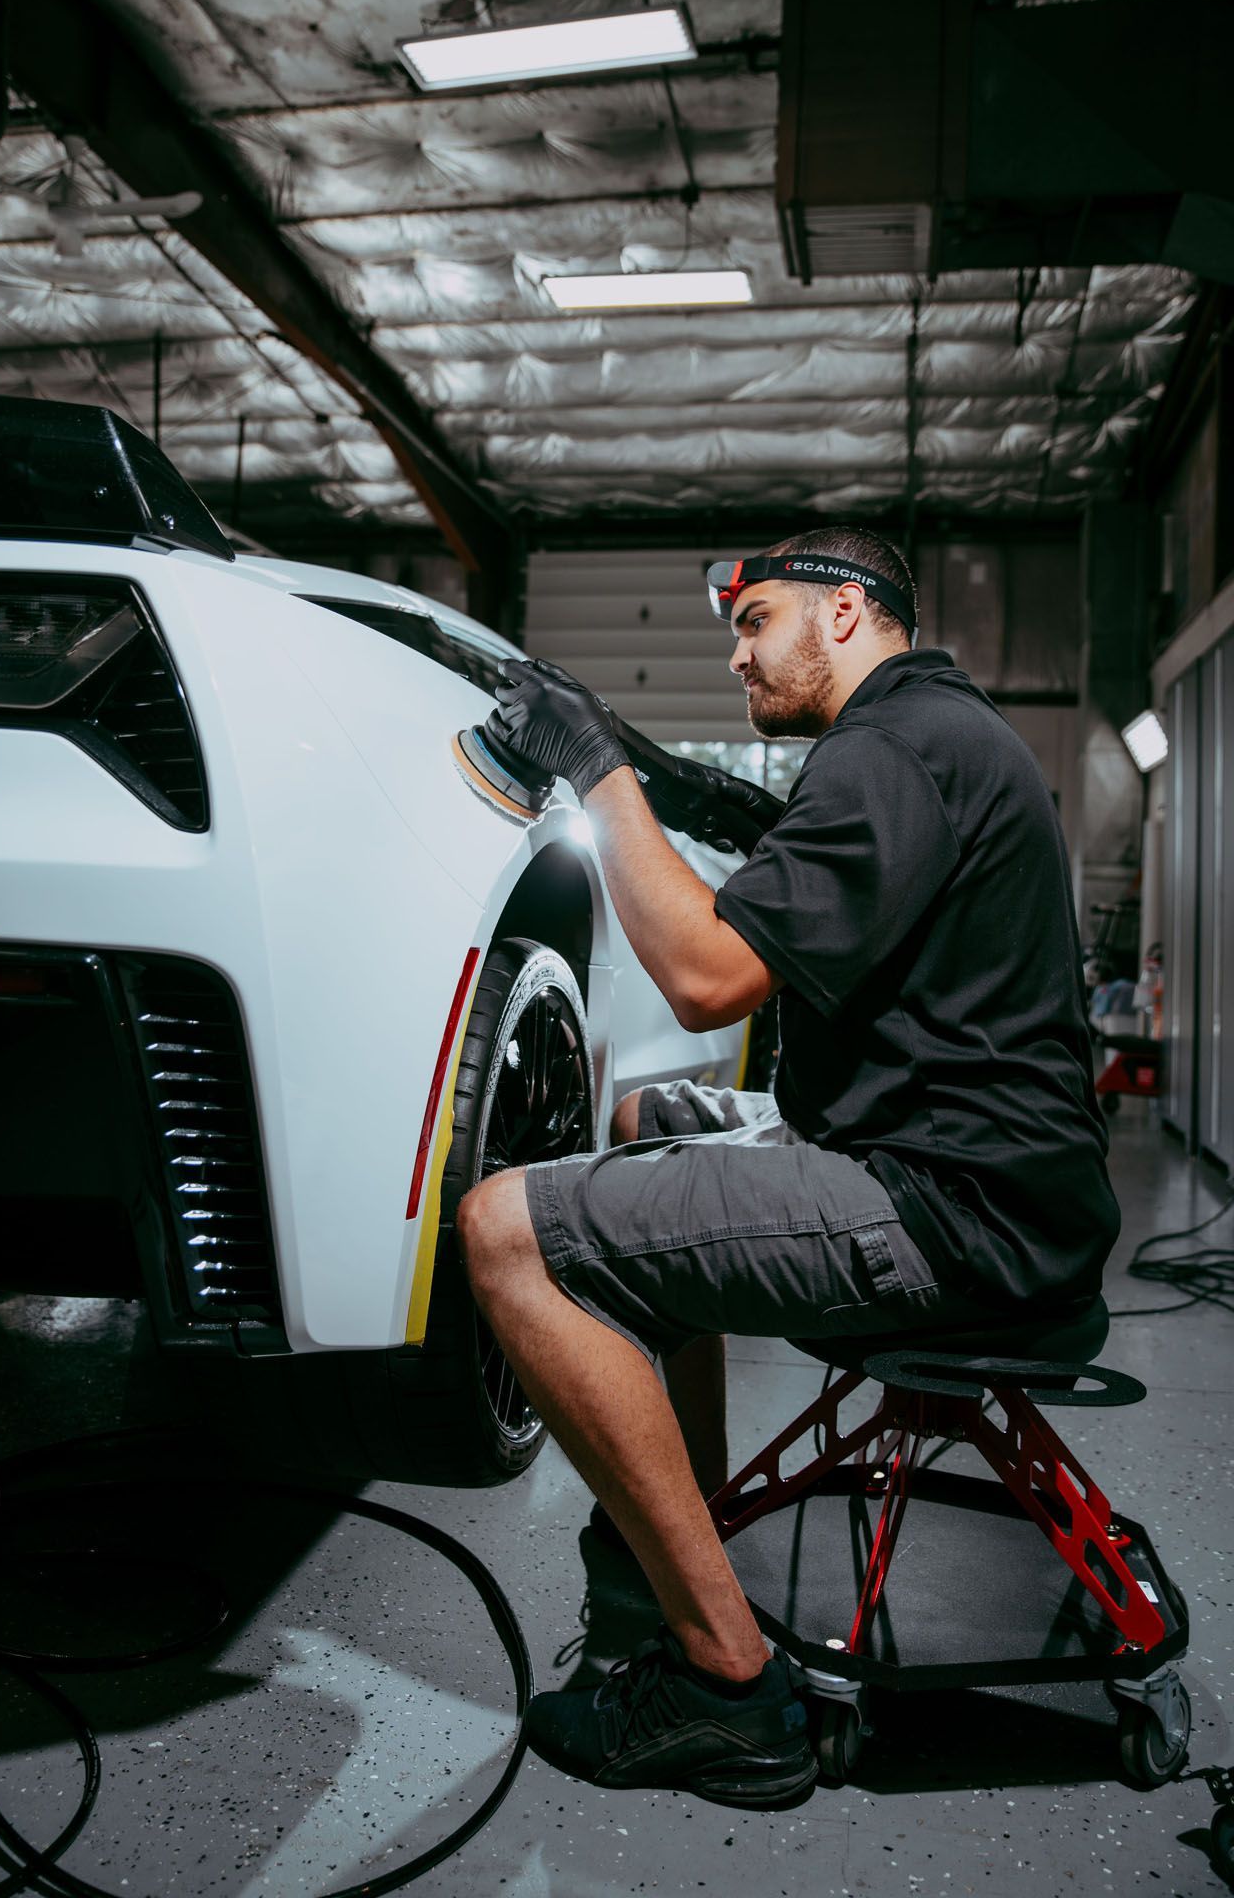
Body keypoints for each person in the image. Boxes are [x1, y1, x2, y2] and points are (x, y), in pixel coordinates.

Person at [456, 526, 1119, 1810]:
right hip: (986, 1189)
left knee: (503, 1231)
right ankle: (671, 1571)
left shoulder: (891, 746)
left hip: (951, 1219)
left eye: (756, 620)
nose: (736, 654)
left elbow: (706, 976)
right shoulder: (933, 743)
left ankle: (724, 1685)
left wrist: (596, 771)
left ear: (849, 610)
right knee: (651, 1124)